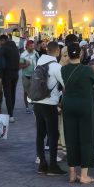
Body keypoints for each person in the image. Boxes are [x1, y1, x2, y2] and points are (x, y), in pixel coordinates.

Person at [60, 42, 94, 184]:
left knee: (70, 137)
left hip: (68, 105)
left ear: (68, 54)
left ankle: (72, 173)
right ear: (81, 54)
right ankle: (84, 175)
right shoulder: (87, 70)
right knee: (87, 138)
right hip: (85, 105)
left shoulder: (63, 70)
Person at [33, 41, 66, 175]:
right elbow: (65, 84)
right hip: (50, 104)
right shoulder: (56, 67)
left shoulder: (40, 62)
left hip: (37, 102)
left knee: (40, 134)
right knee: (53, 134)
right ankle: (53, 165)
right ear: (57, 51)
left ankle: (42, 164)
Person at [0, 33, 21, 121]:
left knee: (7, 94)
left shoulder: (4, 48)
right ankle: (11, 112)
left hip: (7, 73)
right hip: (16, 73)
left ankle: (10, 115)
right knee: (13, 93)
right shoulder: (15, 47)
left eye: (0, 41)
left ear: (3, 40)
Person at [19, 39, 38, 115]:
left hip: (34, 75)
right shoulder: (23, 55)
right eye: (31, 46)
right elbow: (20, 66)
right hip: (26, 76)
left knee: (34, 92)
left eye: (33, 46)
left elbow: (39, 61)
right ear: (27, 46)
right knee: (26, 92)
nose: (32, 47)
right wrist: (26, 65)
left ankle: (34, 107)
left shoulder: (36, 53)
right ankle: (27, 108)